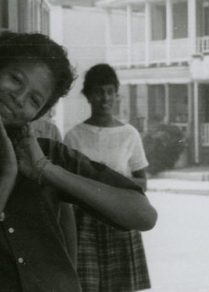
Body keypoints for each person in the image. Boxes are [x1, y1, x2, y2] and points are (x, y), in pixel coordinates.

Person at [0, 32, 157, 292]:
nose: (19, 97)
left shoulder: (48, 155)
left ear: (39, 112)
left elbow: (144, 216)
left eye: (35, 99)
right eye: (15, 79)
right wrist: (6, 179)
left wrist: (46, 170)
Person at [64, 64, 151, 292]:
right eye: (98, 92)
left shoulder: (129, 134)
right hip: (84, 225)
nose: (105, 98)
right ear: (88, 95)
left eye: (110, 92)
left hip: (121, 221)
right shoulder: (74, 137)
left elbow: (142, 183)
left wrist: (114, 186)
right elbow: (66, 187)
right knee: (86, 286)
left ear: (116, 94)